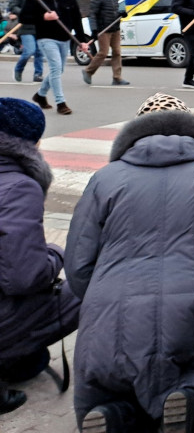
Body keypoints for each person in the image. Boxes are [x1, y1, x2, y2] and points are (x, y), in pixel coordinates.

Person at [66, 93, 194, 433]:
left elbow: (78, 263)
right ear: (193, 128)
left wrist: (100, 298)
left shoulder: (106, 177)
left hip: (113, 302)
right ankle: (187, 396)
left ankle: (114, 414)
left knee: (107, 382)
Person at [0, 98, 80, 415]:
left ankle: (20, 357)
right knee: (86, 288)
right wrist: (56, 255)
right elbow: (24, 277)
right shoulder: (18, 186)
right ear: (30, 143)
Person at [20, 0, 89, 116]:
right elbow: (23, 17)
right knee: (56, 68)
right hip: (46, 37)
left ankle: (40, 95)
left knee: (58, 70)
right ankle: (61, 103)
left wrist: (82, 41)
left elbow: (77, 21)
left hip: (64, 38)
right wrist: (43, 17)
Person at [82, 0, 129, 87]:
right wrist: (94, 30)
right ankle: (88, 71)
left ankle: (117, 78)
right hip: (104, 30)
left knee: (117, 52)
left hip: (115, 28)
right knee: (103, 52)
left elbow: (115, 12)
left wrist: (121, 14)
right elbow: (92, 15)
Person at [9, 0, 44, 83]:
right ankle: (18, 69)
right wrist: (23, 13)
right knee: (29, 51)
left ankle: (38, 74)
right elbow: (12, 5)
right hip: (25, 27)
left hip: (39, 27)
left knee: (39, 52)